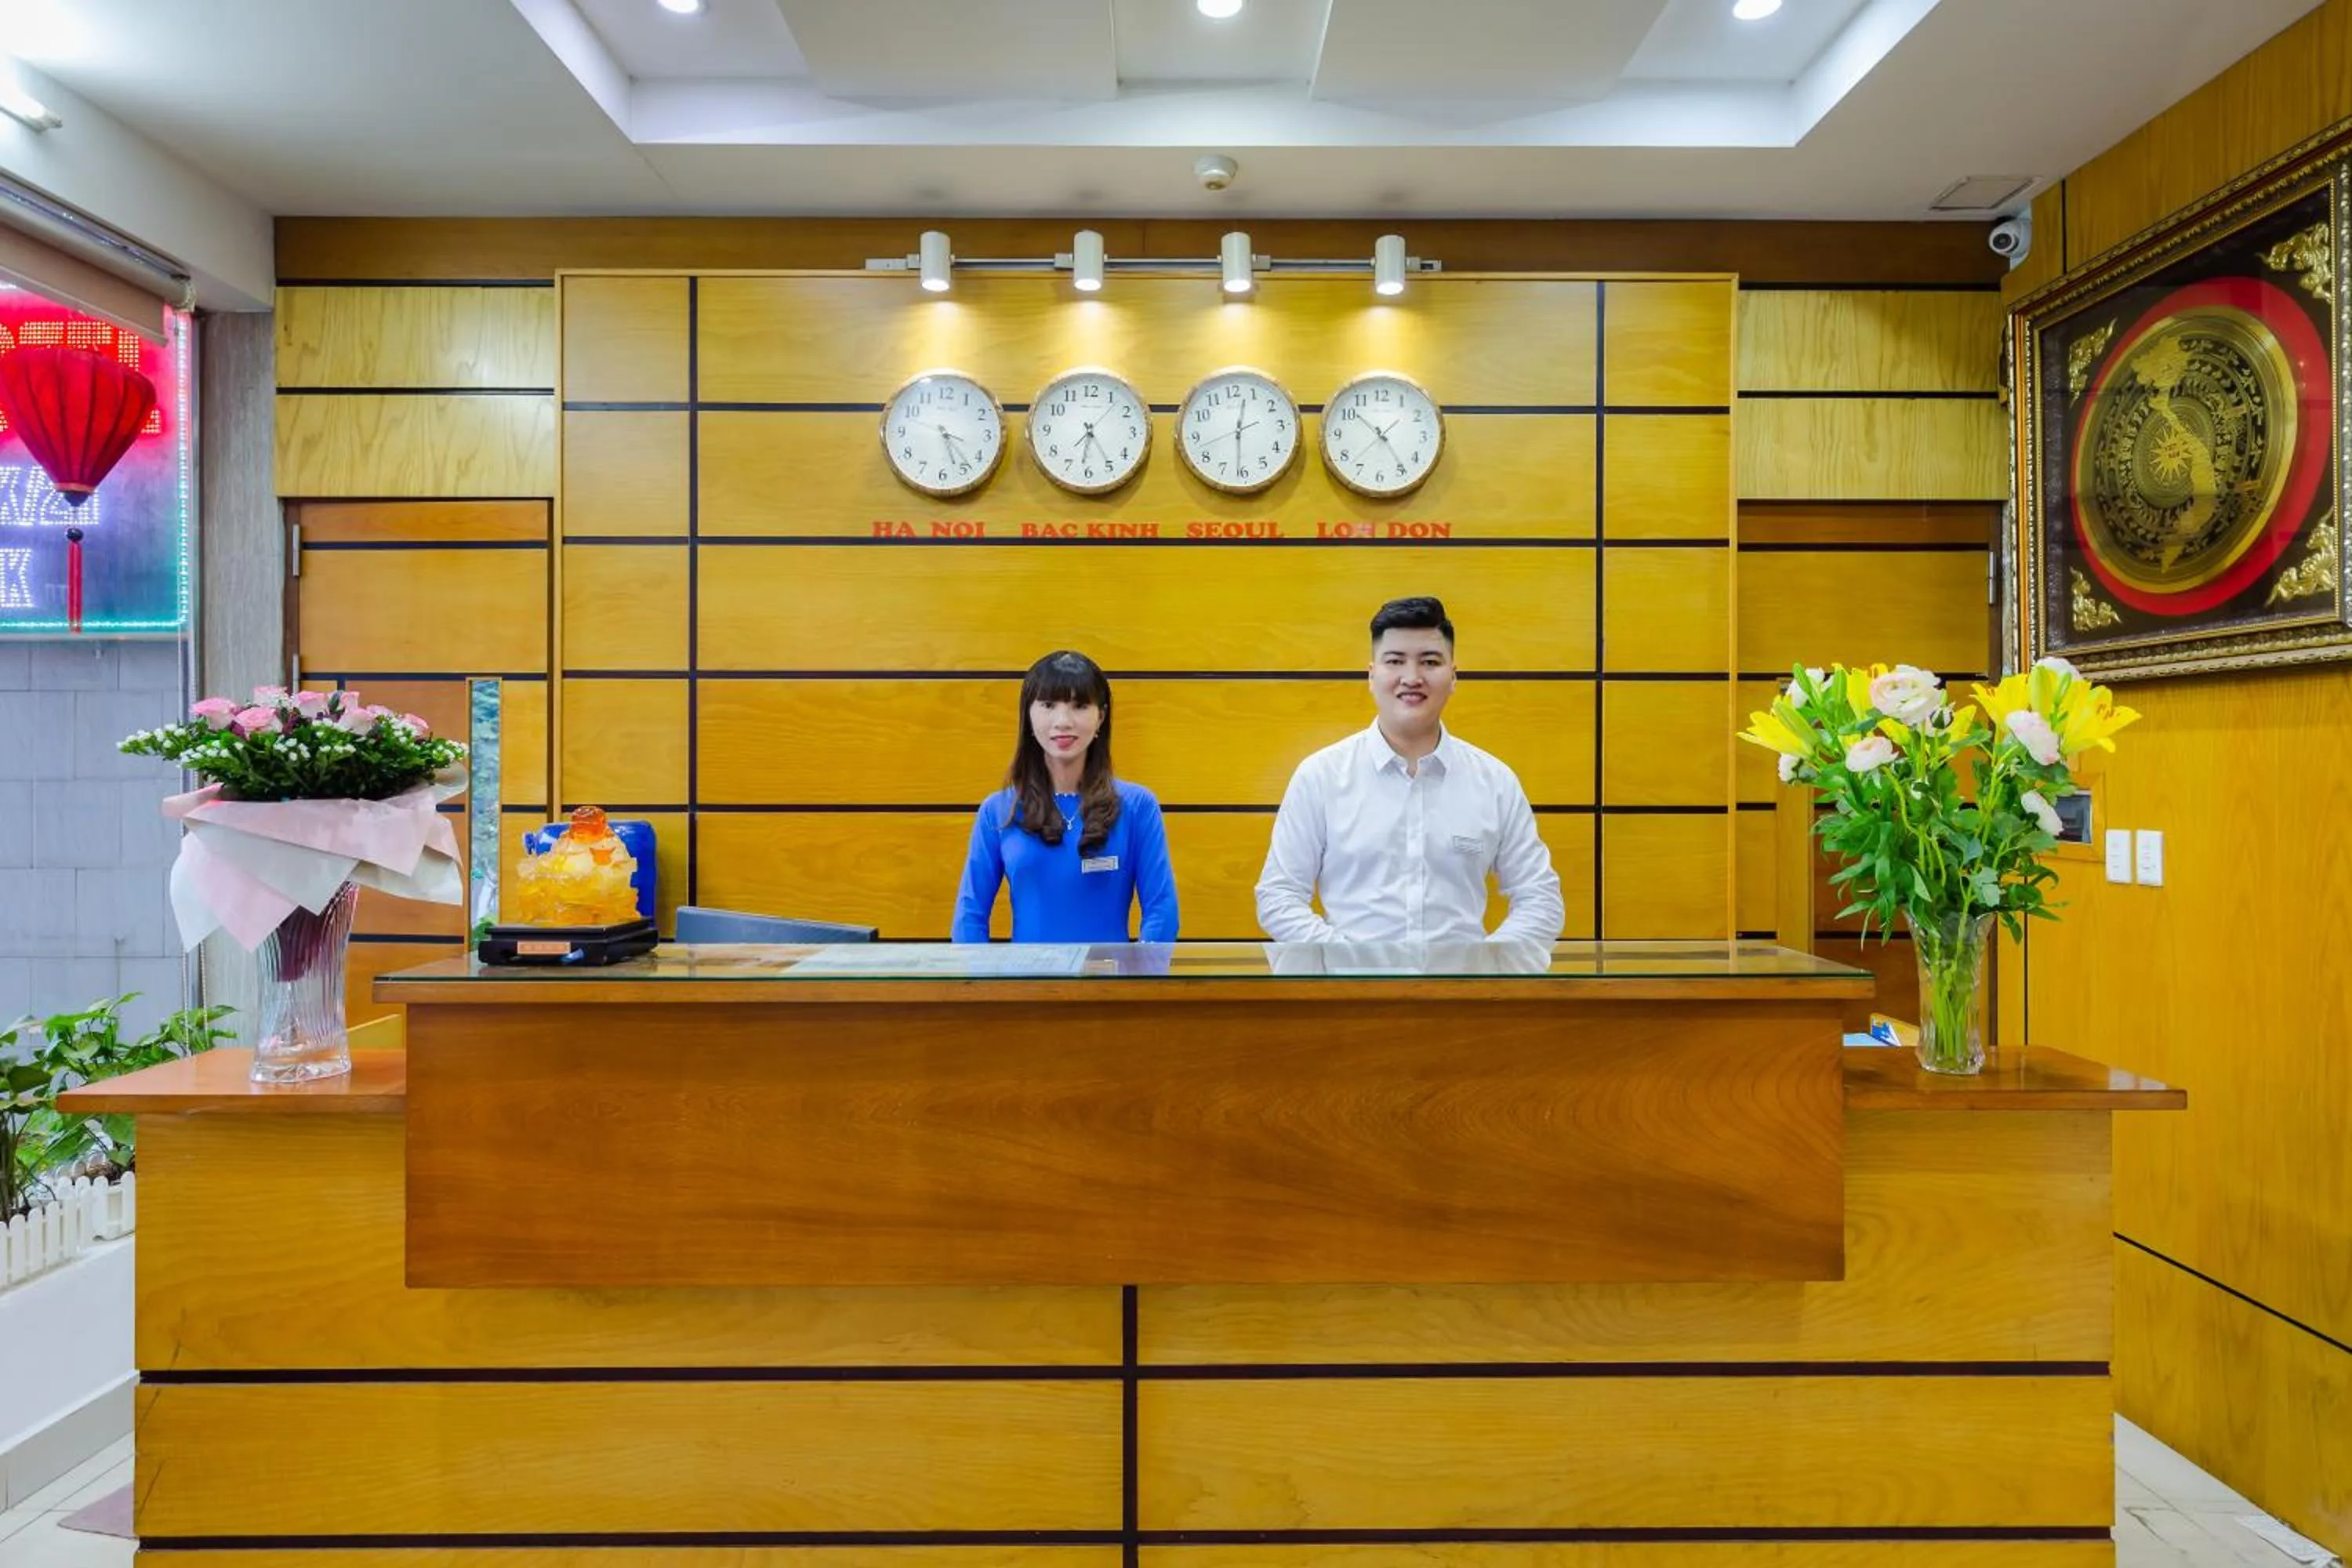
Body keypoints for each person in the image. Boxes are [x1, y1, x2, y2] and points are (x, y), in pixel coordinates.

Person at [1255, 596, 1563, 945]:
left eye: (1430, 662)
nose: (1412, 677)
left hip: (1463, 980)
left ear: (1453, 676)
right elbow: (1278, 896)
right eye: (1395, 661)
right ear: (1372, 675)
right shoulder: (1320, 777)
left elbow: (1541, 899)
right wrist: (1350, 963)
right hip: (1349, 978)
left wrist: (1484, 964)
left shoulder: (1495, 782)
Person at [953, 650, 1179, 943]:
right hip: (1026, 974)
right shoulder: (998, 810)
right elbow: (969, 917)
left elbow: (1162, 911)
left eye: (1079, 706)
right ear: (1029, 715)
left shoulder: (1138, 806)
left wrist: (1143, 971)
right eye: (1048, 705)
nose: (1063, 721)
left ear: (1101, 716)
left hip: (1112, 974)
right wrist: (978, 974)